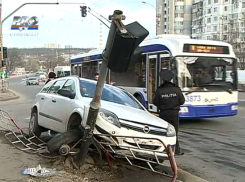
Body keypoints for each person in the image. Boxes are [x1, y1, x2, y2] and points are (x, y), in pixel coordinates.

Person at [153, 70, 185, 155]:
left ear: (162, 79)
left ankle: (163, 150)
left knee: (164, 131)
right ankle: (176, 151)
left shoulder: (159, 90)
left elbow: (155, 102)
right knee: (174, 132)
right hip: (174, 113)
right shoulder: (176, 89)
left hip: (163, 113)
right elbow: (182, 101)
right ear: (171, 79)